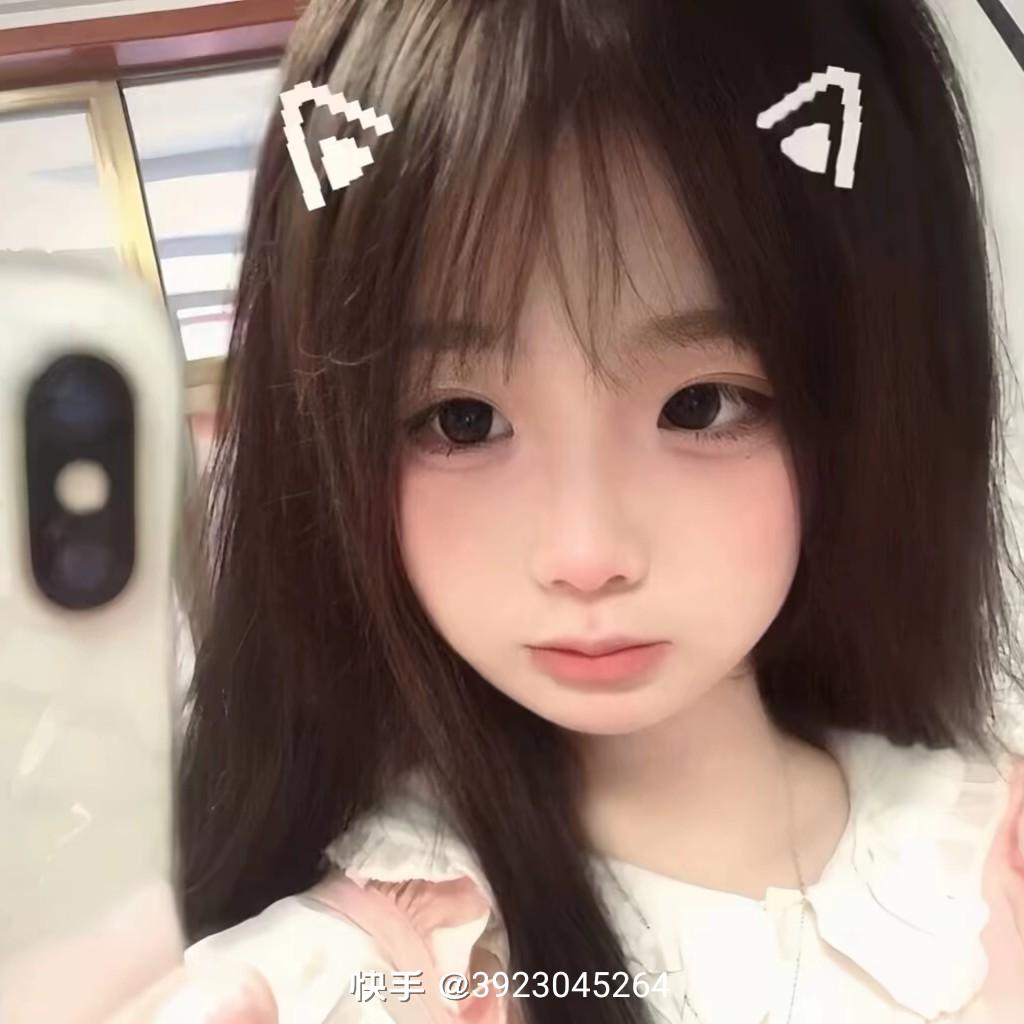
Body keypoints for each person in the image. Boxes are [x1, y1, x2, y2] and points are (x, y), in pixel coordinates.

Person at [174, 0, 1024, 1021]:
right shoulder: (388, 967)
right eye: (461, 419)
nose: (585, 553)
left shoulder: (990, 849)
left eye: (701, 404)